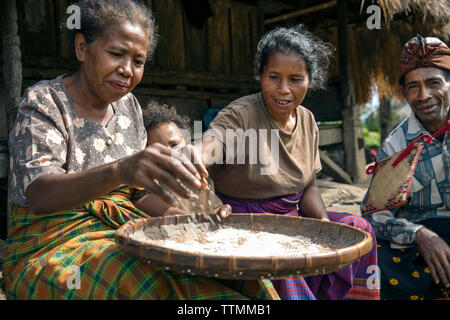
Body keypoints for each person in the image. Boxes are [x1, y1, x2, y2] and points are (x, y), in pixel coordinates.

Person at [1, 0, 277, 300]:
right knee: (149, 281)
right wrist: (120, 169)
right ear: (82, 48)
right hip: (52, 246)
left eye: (138, 61)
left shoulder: (129, 108)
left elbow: (136, 195)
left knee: (237, 270)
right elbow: (39, 195)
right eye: (116, 54)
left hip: (122, 229)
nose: (126, 70)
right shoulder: (45, 102)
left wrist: (187, 220)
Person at [195, 25, 380, 300]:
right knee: (281, 257)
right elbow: (207, 149)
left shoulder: (307, 120)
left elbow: (308, 186)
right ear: (260, 73)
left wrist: (324, 225)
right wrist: (195, 158)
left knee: (359, 231)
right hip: (243, 222)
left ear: (310, 79)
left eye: (295, 79)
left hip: (291, 217)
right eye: (273, 77)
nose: (283, 90)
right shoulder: (239, 115)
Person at [361, 35, 450, 300]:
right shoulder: (397, 144)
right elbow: (374, 216)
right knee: (372, 260)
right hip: (416, 251)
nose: (423, 95)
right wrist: (419, 235)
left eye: (433, 83)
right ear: (404, 93)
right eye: (413, 86)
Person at [132, 100, 230, 218]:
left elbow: (215, 209)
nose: (170, 153)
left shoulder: (199, 179)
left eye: (174, 145)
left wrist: (223, 210)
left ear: (187, 143)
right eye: (158, 149)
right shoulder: (146, 189)